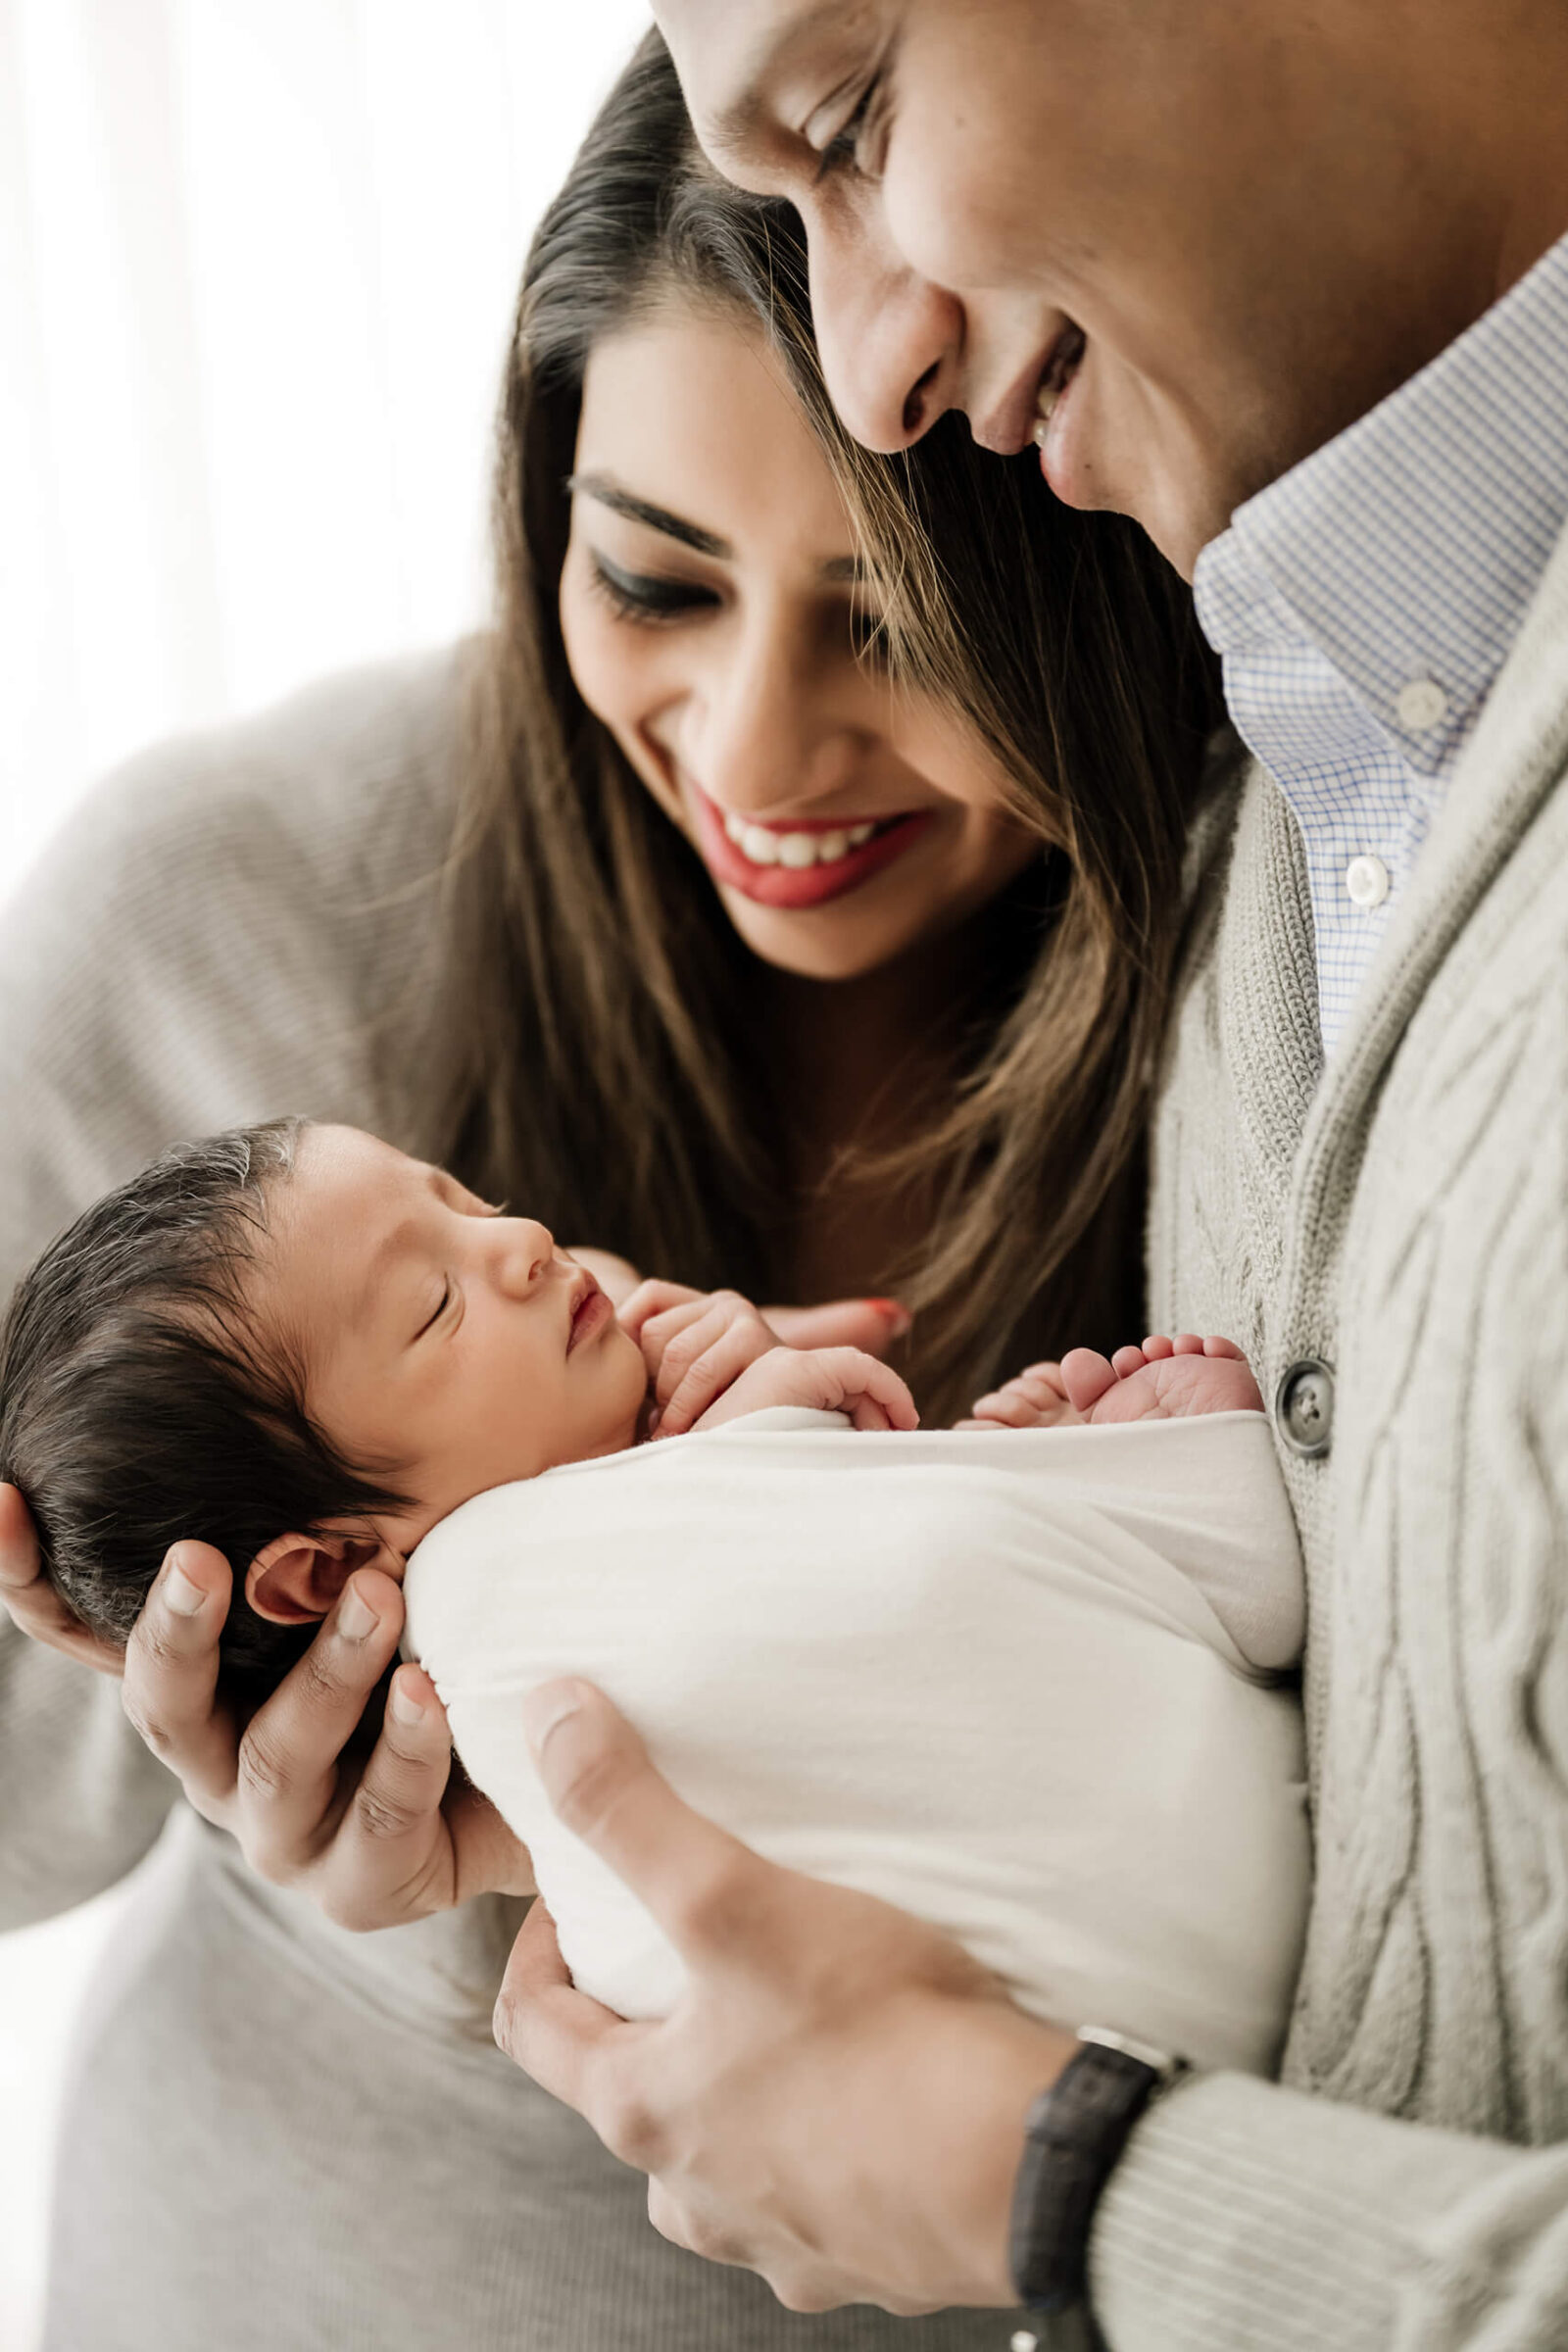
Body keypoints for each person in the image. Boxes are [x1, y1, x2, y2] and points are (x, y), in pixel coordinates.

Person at [0, 33, 1221, 2352]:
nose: (755, 753)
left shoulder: (1261, 956)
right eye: (650, 582)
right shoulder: (221, 923)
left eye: (891, 627)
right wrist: (133, 1660)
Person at [469, 2, 1568, 2345]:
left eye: (856, 122)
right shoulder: (1303, 802)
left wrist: (1050, 2186)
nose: (874, 367)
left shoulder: (1193, 817)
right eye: (650, 579)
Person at [3, 1113, 1307, 2080]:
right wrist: (778, 1417)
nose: (518, 1242)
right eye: (431, 1305)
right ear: (329, 1572)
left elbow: (878, 1659)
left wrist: (807, 1440)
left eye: (464, 1199)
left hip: (1115, 2050)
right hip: (1030, 2046)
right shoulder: (484, 1605)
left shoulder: (623, 1501)